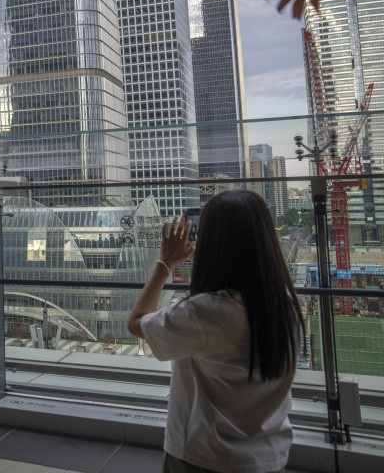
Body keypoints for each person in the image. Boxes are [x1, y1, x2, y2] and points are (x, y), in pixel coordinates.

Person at [128, 190, 304, 473]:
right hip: (269, 457)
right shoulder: (285, 304)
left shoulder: (204, 311)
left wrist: (165, 264)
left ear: (213, 242)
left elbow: (137, 322)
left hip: (203, 456)